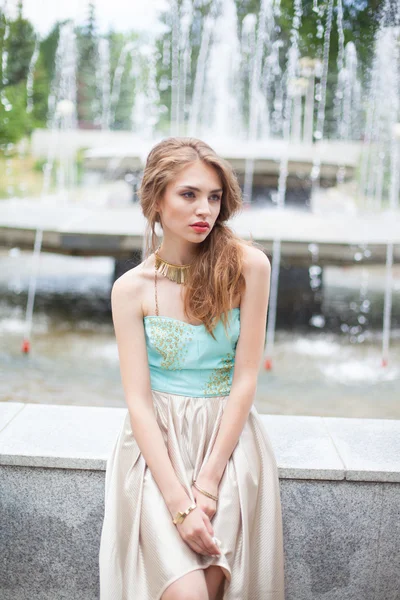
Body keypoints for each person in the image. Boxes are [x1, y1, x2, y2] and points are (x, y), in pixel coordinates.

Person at [98, 137, 285, 600]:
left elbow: (245, 379)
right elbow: (137, 401)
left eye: (215, 197)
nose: (206, 209)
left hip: (228, 443)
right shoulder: (131, 289)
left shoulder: (249, 267)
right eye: (189, 194)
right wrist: (181, 503)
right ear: (155, 201)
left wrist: (209, 481)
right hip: (155, 449)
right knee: (187, 594)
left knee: (216, 586)